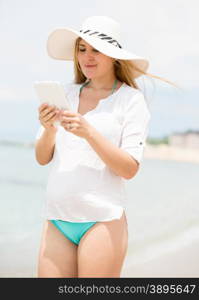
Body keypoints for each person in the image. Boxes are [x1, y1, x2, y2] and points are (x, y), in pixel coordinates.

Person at [35, 15, 152, 278]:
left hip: (102, 220)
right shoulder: (65, 93)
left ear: (114, 56)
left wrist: (89, 132)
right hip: (57, 218)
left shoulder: (131, 101)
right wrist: (48, 128)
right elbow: (42, 158)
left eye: (97, 50)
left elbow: (129, 169)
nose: (88, 57)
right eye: (82, 49)